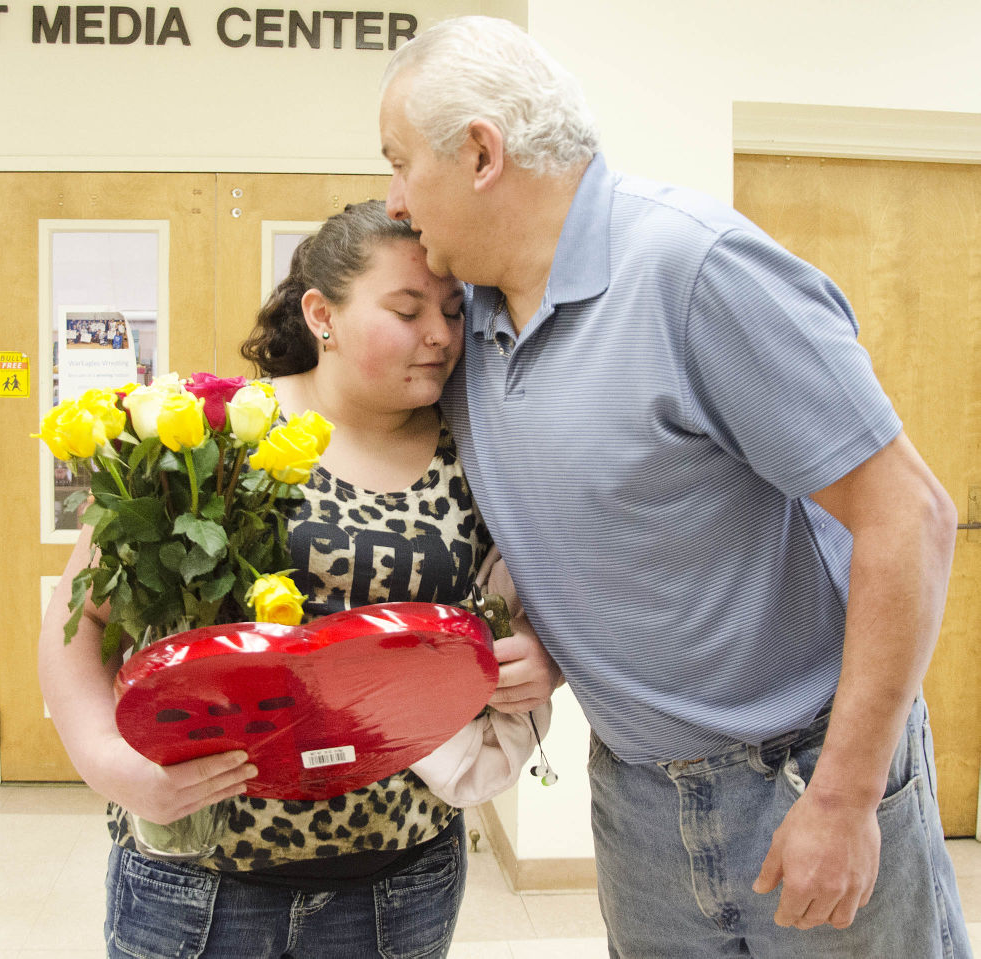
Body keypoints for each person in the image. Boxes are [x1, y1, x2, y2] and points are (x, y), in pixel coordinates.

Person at [379, 16, 970, 958]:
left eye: (401, 163)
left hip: (805, 777)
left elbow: (913, 516)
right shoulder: (465, 333)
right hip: (636, 795)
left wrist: (848, 796)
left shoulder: (695, 271)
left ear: (482, 154)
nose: (396, 200)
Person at [38, 200, 558, 959]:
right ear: (322, 315)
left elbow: (540, 601)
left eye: (452, 310)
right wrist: (110, 765)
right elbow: (78, 619)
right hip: (200, 878)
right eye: (407, 310)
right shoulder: (212, 433)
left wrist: (540, 661)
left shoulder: (479, 452)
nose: (441, 335)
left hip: (397, 880)